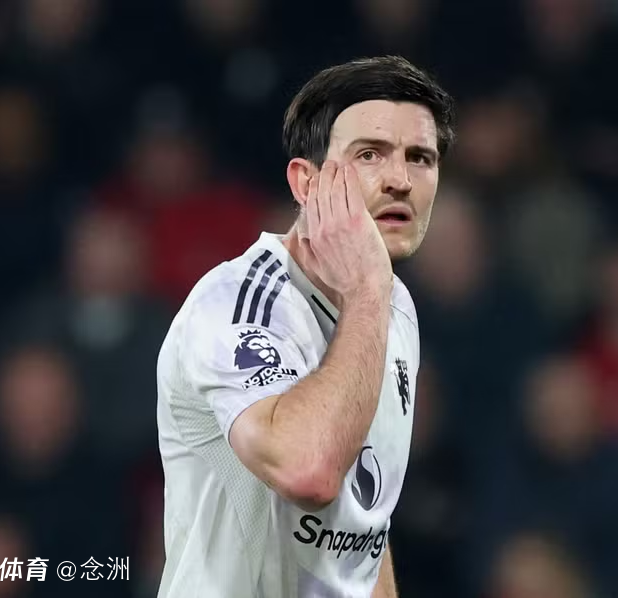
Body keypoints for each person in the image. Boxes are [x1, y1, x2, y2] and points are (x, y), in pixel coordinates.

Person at [155, 55, 456, 598]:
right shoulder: (236, 305)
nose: (400, 181)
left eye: (420, 158)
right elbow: (309, 473)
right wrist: (367, 292)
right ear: (305, 182)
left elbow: (364, 529)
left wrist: (371, 293)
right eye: (369, 154)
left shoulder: (393, 306)